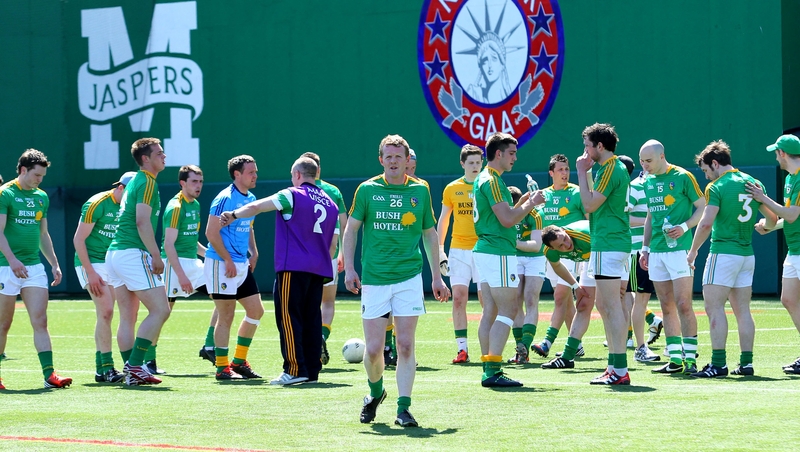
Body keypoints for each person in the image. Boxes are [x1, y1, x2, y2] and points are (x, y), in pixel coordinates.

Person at [344, 134, 450, 428]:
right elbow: (351, 230)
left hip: (408, 278)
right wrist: (350, 269)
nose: (393, 162)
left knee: (404, 345)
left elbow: (429, 232)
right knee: (374, 349)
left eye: (398, 157)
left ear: (407, 161)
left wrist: (436, 276)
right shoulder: (367, 190)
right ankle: (375, 393)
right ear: (381, 160)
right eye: (388, 157)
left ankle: (404, 408)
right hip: (375, 279)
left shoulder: (421, 190)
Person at [221, 157, 339, 385]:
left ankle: (294, 369)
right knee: (312, 319)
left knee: (288, 318)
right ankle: (311, 370)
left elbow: (257, 206)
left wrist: (234, 215)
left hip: (293, 267)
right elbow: (333, 244)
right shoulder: (330, 203)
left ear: (297, 175)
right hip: (319, 268)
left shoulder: (292, 194)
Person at [688, 140, 777, 377]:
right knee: (743, 311)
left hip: (724, 254)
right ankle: (746, 363)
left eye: (707, 170)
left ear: (715, 163)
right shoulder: (753, 182)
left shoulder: (717, 187)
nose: (707, 176)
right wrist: (765, 227)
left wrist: (693, 250)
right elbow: (771, 218)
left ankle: (718, 364)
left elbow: (706, 223)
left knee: (714, 307)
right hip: (747, 255)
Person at [0, 149, 71, 390]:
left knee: (40, 321)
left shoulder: (42, 197)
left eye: (42, 176)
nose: (40, 180)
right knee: (3, 324)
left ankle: (50, 375)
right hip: (5, 268)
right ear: (23, 170)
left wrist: (54, 263)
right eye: (36, 175)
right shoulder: (5, 194)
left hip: (33, 267)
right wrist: (12, 261)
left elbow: (43, 234)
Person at [473, 132, 539, 388]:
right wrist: (531, 203)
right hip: (497, 250)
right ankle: (493, 370)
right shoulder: (493, 180)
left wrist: (523, 202)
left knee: (490, 310)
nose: (515, 157)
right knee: (509, 310)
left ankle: (488, 367)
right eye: (511, 152)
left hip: (486, 249)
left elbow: (506, 213)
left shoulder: (485, 178)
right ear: (498, 153)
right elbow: (508, 220)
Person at [105, 138, 169, 386]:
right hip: (132, 253)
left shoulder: (137, 181)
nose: (164, 157)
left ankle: (132, 372)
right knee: (160, 310)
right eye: (159, 153)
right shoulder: (147, 181)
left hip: (116, 254)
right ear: (145, 159)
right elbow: (142, 222)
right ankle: (134, 367)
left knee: (128, 318)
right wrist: (155, 254)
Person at [639, 139, 706, 375]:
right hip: (657, 250)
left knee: (684, 304)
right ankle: (675, 359)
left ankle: (691, 359)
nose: (645, 166)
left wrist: (685, 227)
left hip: (680, 250)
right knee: (666, 306)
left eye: (648, 161)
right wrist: (645, 249)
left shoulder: (683, 176)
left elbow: (703, 206)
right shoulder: (647, 181)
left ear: (661, 156)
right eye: (642, 161)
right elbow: (649, 217)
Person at [575, 123, 631, 385]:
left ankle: (620, 369)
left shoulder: (610, 168)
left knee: (610, 306)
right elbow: (592, 206)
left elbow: (588, 204)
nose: (585, 152)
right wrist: (586, 174)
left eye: (588, 146)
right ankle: (614, 366)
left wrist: (579, 171)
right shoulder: (609, 169)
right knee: (604, 305)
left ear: (599, 146)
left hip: (610, 243)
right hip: (606, 242)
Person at [204, 155, 264, 381]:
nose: (255, 175)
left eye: (255, 171)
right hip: (221, 263)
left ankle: (238, 362)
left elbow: (249, 227)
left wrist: (254, 252)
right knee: (226, 316)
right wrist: (228, 259)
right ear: (237, 174)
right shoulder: (224, 198)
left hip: (240, 263)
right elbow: (211, 233)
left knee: (256, 311)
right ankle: (221, 368)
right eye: (251, 172)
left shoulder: (252, 198)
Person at [73, 171, 135, 384]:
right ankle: (107, 367)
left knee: (108, 313)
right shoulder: (97, 203)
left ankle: (102, 369)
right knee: (107, 310)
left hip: (111, 261)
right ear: (120, 188)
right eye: (130, 191)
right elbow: (78, 240)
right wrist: (90, 272)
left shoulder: (129, 206)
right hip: (90, 261)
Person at [746, 134, 800, 374]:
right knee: (788, 299)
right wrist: (770, 226)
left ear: (783, 153)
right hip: (794, 249)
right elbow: (789, 216)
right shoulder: (790, 178)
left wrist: (762, 198)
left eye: (776, 153)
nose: (775, 157)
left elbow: (791, 215)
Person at [531, 154, 588, 359]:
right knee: (565, 301)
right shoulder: (542, 196)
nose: (565, 173)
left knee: (559, 297)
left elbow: (590, 217)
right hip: (552, 252)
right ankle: (577, 344)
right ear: (551, 173)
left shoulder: (576, 192)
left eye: (567, 169)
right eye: (560, 169)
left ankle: (547, 342)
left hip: (571, 251)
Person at [299, 152, 348, 366]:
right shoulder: (333, 191)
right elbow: (344, 224)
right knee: (327, 301)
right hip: (329, 256)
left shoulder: (297, 192)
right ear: (319, 169)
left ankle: (307, 345)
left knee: (304, 304)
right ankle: (321, 337)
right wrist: (344, 254)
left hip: (304, 258)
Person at [437, 144, 484, 363]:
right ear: (462, 164)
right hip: (458, 250)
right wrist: (439, 250)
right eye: (471, 162)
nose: (475, 166)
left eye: (478, 162)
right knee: (458, 299)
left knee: (488, 301)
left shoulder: (488, 185)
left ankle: (489, 347)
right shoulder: (452, 188)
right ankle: (462, 349)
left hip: (484, 249)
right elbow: (444, 220)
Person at [160, 165, 209, 371]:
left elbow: (193, 242)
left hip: (193, 263)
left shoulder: (195, 205)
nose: (198, 186)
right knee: (162, 313)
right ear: (183, 183)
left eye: (200, 181)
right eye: (194, 182)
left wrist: (214, 258)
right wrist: (181, 276)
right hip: (173, 265)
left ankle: (211, 345)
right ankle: (148, 360)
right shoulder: (175, 207)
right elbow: (168, 245)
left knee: (224, 297)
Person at [618, 155, 662, 363]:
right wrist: (651, 222)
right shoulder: (635, 186)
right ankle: (640, 347)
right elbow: (622, 217)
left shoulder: (660, 184)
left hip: (662, 250)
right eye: (645, 161)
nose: (648, 164)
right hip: (639, 251)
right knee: (639, 299)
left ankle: (674, 346)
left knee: (666, 299)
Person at [537, 221, 596, 371]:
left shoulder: (584, 236)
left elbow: (611, 250)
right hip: (590, 261)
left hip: (609, 253)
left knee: (611, 304)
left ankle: (619, 359)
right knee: (583, 304)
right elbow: (557, 266)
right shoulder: (550, 252)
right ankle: (568, 356)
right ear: (552, 248)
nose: (566, 246)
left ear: (564, 231)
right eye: (560, 246)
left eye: (565, 239)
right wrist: (576, 287)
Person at [506, 186, 545, 364]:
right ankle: (520, 351)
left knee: (531, 299)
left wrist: (514, 242)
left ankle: (525, 346)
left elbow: (536, 245)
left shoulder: (534, 215)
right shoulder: (506, 214)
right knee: (514, 302)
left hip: (534, 259)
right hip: (515, 258)